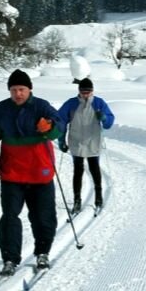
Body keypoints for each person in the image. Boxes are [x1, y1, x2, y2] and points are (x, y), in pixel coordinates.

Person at [0, 69, 63, 276]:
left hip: (40, 173)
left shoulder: (41, 107)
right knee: (9, 216)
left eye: (22, 89)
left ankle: (43, 252)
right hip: (12, 174)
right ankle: (9, 258)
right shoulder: (1, 111)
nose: (18, 94)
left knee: (43, 216)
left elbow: (59, 126)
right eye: (14, 90)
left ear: (29, 89)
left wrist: (50, 127)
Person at [57, 78, 115, 213]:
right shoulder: (71, 104)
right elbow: (60, 121)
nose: (86, 94)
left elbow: (109, 123)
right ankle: (77, 200)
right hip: (76, 140)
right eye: (83, 92)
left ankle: (98, 197)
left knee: (94, 169)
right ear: (79, 91)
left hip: (93, 140)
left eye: (88, 92)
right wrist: (61, 140)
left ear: (92, 91)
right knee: (78, 171)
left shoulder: (99, 103)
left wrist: (104, 118)